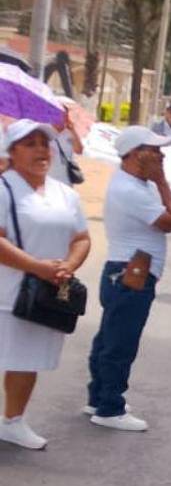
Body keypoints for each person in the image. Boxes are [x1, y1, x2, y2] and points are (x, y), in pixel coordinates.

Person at [0, 121, 92, 450]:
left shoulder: (64, 193)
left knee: (25, 360)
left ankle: (12, 421)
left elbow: (81, 237)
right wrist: (35, 266)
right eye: (30, 144)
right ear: (11, 152)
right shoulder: (4, 188)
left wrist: (68, 265)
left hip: (41, 294)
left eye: (45, 143)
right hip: (6, 292)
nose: (41, 150)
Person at [86, 126, 171, 432]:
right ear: (134, 155)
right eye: (153, 150)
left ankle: (99, 395)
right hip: (131, 272)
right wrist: (162, 180)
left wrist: (156, 180)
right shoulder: (131, 189)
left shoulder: (135, 183)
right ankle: (109, 407)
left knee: (109, 337)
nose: (160, 155)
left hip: (128, 271)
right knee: (121, 342)